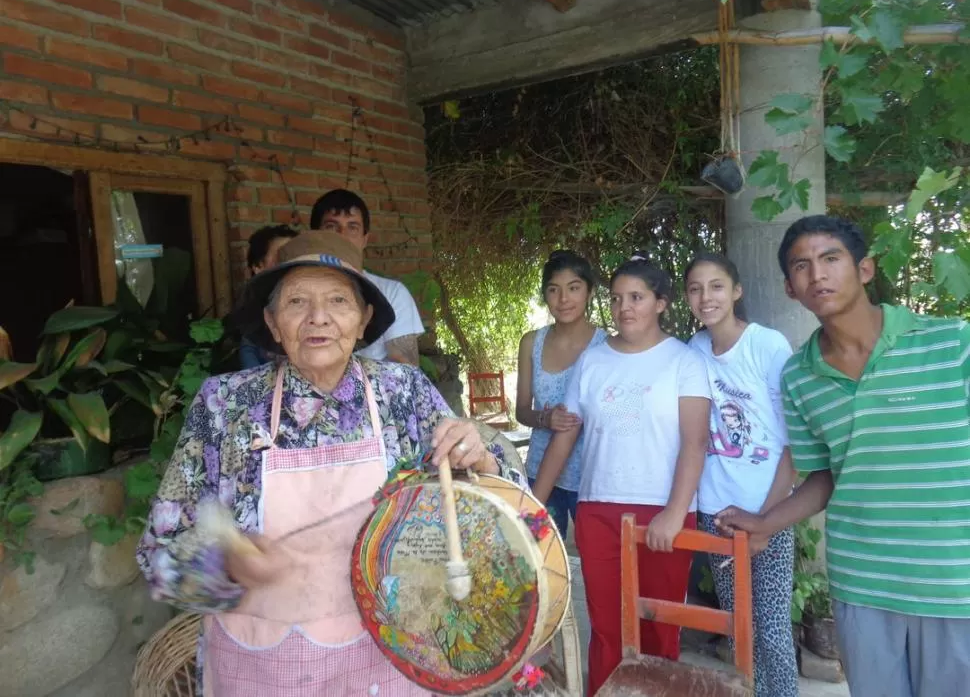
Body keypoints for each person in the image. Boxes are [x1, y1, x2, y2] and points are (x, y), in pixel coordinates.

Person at [136, 230, 525, 696]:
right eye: (297, 301)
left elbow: (498, 505)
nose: (318, 317)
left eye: (338, 301)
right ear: (272, 322)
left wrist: (480, 460)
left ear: (364, 320)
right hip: (264, 670)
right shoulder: (226, 404)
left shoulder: (404, 393)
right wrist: (226, 565)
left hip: (389, 660)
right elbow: (158, 555)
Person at [717, 215, 970, 697]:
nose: (817, 274)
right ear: (790, 288)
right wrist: (766, 522)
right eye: (801, 266)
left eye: (831, 258)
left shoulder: (951, 344)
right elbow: (825, 476)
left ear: (865, 269)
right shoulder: (799, 377)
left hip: (954, 581)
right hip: (862, 582)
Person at [531, 253, 711, 695]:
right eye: (616, 298)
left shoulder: (684, 361)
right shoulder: (593, 361)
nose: (624, 307)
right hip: (599, 511)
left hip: (663, 514)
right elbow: (565, 437)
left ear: (661, 303)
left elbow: (695, 442)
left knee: (659, 629)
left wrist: (675, 513)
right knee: (608, 628)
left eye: (636, 297)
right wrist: (532, 507)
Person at [684, 252, 798, 697]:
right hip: (718, 512)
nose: (706, 297)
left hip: (767, 507)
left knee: (772, 629)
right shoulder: (694, 350)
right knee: (739, 627)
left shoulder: (767, 345)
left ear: (736, 291)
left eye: (716, 286)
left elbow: (793, 442)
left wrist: (767, 521)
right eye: (695, 289)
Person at [516, 250, 607, 539]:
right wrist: (545, 419)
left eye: (574, 288)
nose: (564, 299)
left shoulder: (607, 346)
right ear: (545, 295)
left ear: (589, 292)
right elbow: (521, 410)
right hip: (540, 470)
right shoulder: (532, 342)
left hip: (591, 476)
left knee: (596, 553)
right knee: (537, 550)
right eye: (554, 290)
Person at [310, 189, 424, 366]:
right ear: (315, 236)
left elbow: (406, 369)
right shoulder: (295, 292)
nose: (342, 236)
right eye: (331, 226)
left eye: (352, 228)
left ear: (365, 239)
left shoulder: (392, 293)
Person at [238, 224, 298, 369]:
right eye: (282, 255)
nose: (292, 262)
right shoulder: (250, 314)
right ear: (258, 266)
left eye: (296, 255)